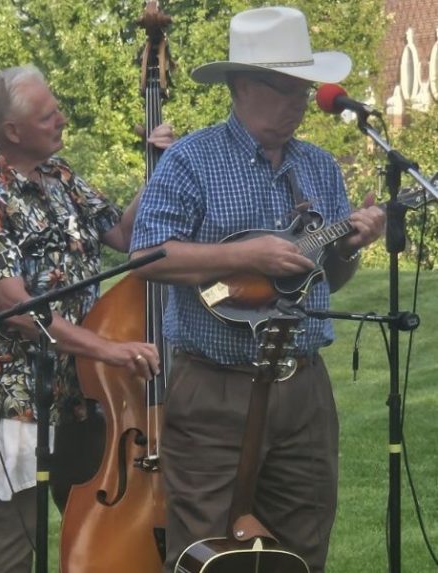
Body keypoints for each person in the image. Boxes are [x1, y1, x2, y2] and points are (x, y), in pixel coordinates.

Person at [129, 6, 386, 573]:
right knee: (204, 552)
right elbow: (146, 256)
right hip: (215, 388)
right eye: (286, 88)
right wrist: (245, 255)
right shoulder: (191, 160)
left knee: (303, 551)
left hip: (303, 389)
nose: (300, 102)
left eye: (305, 89)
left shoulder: (320, 167)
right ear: (242, 85)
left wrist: (348, 247)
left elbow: (325, 280)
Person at [0, 64, 173, 573]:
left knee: (95, 509)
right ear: (12, 131)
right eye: (49, 116)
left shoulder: (60, 175)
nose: (62, 120)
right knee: (18, 522)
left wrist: (158, 168)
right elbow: (16, 308)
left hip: (84, 384)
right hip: (16, 391)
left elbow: (123, 236)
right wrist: (109, 349)